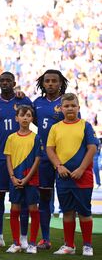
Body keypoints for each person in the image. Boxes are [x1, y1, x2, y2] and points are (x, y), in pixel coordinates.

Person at [0, 72, 33, 248]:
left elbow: (34, 117)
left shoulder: (23, 100)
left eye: (8, 81)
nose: (5, 83)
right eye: (2, 81)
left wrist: (24, 95)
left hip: (21, 158)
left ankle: (23, 237)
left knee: (22, 199)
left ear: (14, 83)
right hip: (0, 156)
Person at [46, 93, 98, 256]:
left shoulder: (86, 126)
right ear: (61, 109)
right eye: (66, 106)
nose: (69, 109)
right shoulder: (55, 128)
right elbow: (50, 149)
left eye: (73, 106)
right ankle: (69, 245)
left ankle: (87, 245)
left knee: (84, 212)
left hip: (83, 177)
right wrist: (59, 166)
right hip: (63, 177)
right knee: (67, 211)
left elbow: (92, 148)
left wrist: (82, 169)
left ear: (78, 107)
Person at [33, 69, 69, 250]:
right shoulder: (37, 103)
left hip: (64, 157)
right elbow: (32, 121)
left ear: (60, 83)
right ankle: (45, 239)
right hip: (44, 158)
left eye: (54, 81)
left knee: (65, 198)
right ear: (43, 83)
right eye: (47, 81)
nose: (50, 84)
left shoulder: (66, 102)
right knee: (44, 197)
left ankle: (68, 241)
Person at [4, 105, 41, 254]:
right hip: (15, 179)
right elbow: (8, 158)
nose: (25, 118)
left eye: (28, 115)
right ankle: (16, 243)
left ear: (32, 119)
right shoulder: (11, 138)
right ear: (16, 118)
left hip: (30, 179)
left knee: (33, 209)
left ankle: (32, 243)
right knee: (14, 209)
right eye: (22, 115)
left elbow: (37, 160)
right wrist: (12, 176)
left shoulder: (36, 138)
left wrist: (27, 178)